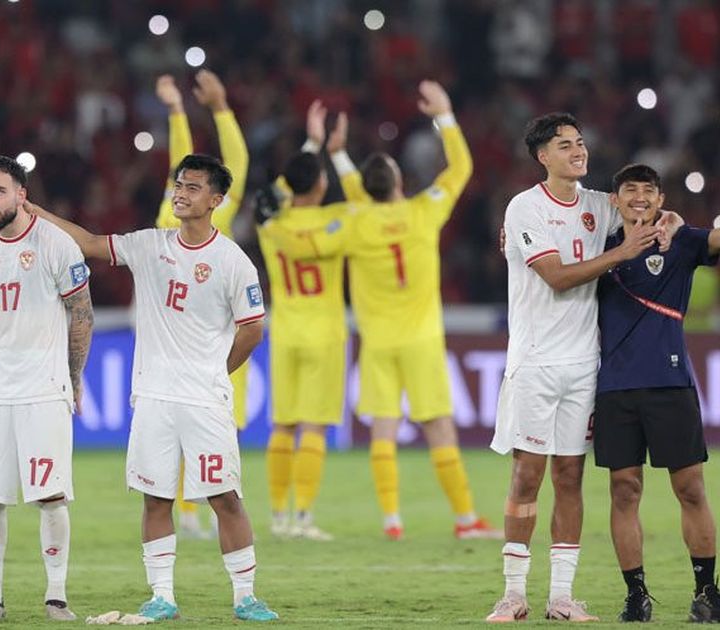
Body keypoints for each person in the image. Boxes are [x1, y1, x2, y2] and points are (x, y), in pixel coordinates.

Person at [30, 153, 279, 622]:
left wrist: (214, 372)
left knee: (224, 496)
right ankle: (161, 595)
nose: (180, 193)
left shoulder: (233, 262)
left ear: (217, 200)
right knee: (156, 497)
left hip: (205, 400)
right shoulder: (149, 245)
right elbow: (85, 242)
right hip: (152, 398)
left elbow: (252, 331)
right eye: (178, 185)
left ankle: (245, 596)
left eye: (192, 187)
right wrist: (32, 211)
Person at [486, 113, 670, 622]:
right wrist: (623, 253)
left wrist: (666, 218)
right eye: (565, 145)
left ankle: (562, 597)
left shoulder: (598, 206)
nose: (578, 151)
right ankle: (514, 593)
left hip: (583, 365)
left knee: (570, 476)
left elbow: (644, 208)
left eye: (581, 142)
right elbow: (557, 278)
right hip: (535, 361)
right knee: (527, 475)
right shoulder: (525, 208)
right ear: (543, 156)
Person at [333, 81, 499, 542]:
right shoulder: (424, 211)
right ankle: (466, 519)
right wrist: (444, 115)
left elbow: (355, 198)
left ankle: (392, 520)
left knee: (383, 429)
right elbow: (462, 166)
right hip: (422, 339)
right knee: (438, 427)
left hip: (378, 341)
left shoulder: (356, 222)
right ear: (400, 183)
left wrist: (339, 155)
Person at [0, 155, 94, 622]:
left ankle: (56, 596)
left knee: (50, 494)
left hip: (44, 388)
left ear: (21, 194)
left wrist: (74, 380)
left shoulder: (57, 245)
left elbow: (82, 314)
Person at [593, 164, 720, 623]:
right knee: (624, 491)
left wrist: (689, 222)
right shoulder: (600, 251)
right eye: (630, 190)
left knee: (690, 489)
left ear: (660, 199)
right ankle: (636, 595)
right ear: (615, 200)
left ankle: (707, 590)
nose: (640, 197)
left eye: (648, 191)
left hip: (671, 383)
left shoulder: (682, 241)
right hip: (615, 388)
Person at [252, 101, 358, 541]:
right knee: (313, 426)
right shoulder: (338, 220)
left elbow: (271, 193)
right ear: (319, 183)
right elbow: (366, 201)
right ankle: (303, 518)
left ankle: (277, 516)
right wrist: (335, 152)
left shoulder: (269, 225)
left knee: (283, 424)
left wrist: (311, 144)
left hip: (286, 331)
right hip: (325, 335)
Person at [153, 70, 250, 539]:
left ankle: (193, 511)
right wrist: (220, 107)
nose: (184, 189)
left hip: (200, 338)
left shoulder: (163, 220)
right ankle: (196, 512)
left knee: (185, 425)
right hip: (203, 339)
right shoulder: (205, 215)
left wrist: (177, 111)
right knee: (205, 423)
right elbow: (238, 165)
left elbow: (185, 164)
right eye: (182, 184)